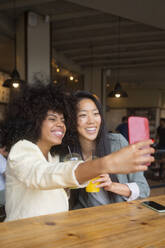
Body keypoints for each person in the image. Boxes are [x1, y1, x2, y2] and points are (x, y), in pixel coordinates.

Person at [3, 82, 154, 221]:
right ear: (34, 120)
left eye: (63, 120)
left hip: (67, 230)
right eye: (52, 119)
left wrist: (111, 184)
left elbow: (61, 183)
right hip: (26, 234)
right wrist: (105, 164)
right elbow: (43, 175)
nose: (60, 125)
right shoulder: (23, 149)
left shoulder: (53, 156)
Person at [69, 91, 150, 209]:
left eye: (96, 114)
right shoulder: (70, 154)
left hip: (121, 218)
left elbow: (144, 190)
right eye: (83, 115)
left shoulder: (117, 143)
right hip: (90, 222)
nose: (91, 121)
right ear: (71, 120)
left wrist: (112, 186)